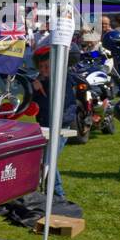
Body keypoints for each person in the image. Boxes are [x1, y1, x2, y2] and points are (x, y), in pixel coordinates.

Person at [31, 45, 78, 201]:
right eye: (41, 67)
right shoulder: (43, 80)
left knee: (48, 161)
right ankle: (48, 193)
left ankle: (59, 195)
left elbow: (57, 105)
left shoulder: (62, 81)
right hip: (45, 125)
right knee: (44, 160)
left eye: (47, 66)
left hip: (60, 126)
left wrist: (40, 90)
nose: (43, 70)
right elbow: (36, 106)